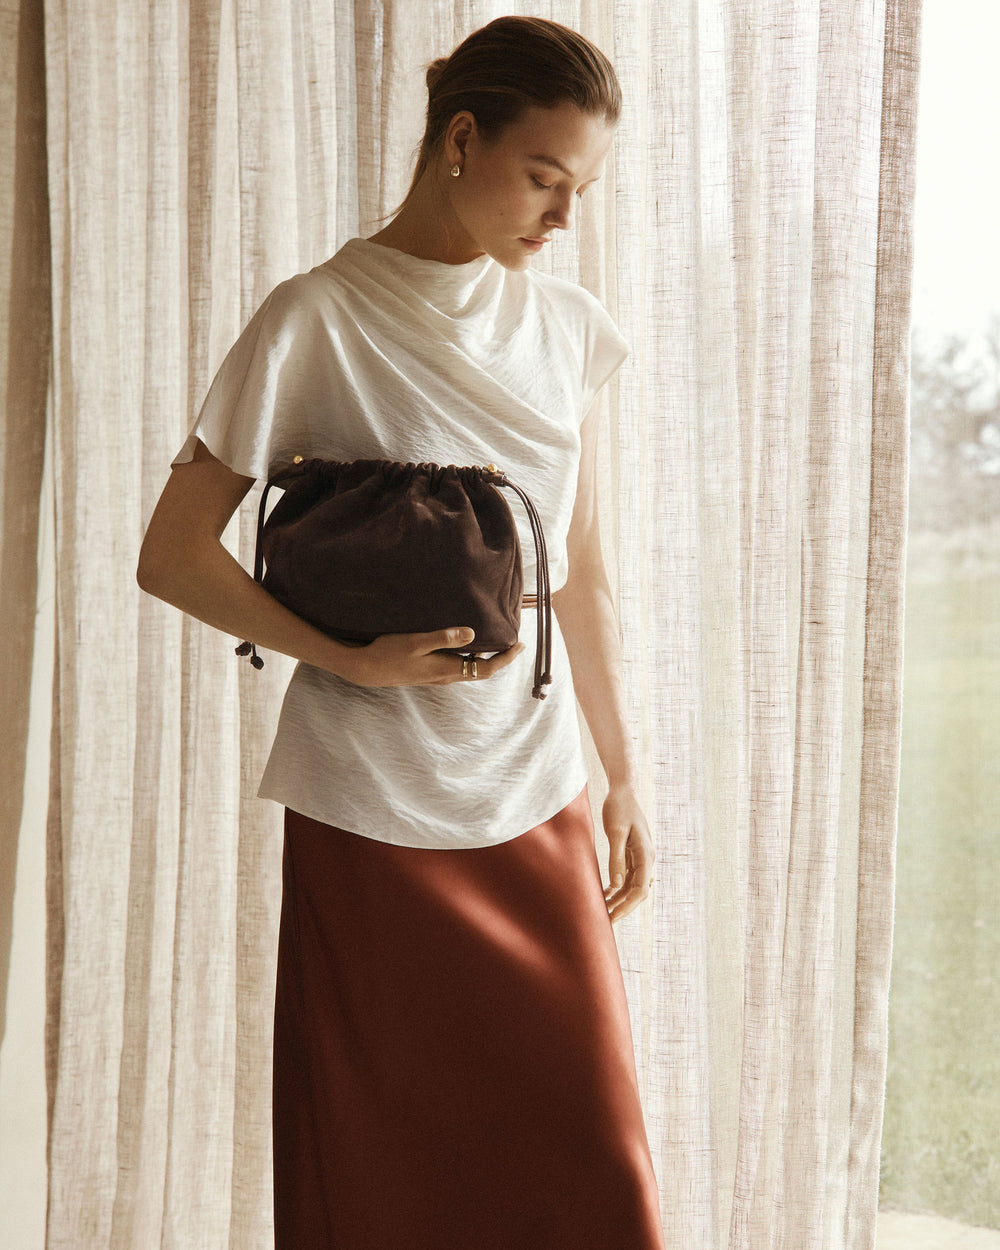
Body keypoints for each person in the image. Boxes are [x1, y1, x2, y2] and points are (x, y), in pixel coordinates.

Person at [137, 15, 663, 1250]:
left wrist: (622, 772)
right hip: (366, 798)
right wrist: (348, 658)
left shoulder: (567, 328)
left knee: (586, 1157)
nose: (562, 217)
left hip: (531, 785)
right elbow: (171, 551)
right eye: (545, 177)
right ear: (460, 138)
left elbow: (581, 570)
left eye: (582, 191)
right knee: (377, 1165)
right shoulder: (312, 317)